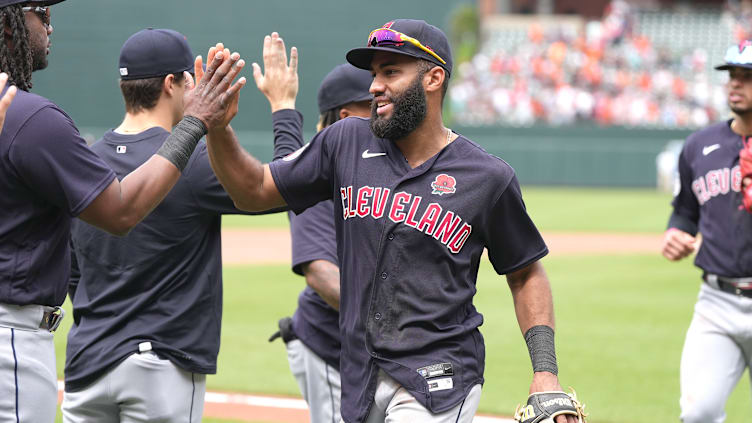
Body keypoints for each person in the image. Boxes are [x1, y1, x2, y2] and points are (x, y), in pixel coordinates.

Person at [209, 22, 576, 423]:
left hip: (439, 377)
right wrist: (219, 129)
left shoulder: (486, 177)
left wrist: (545, 372)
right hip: (359, 375)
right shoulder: (344, 141)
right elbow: (255, 188)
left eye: (390, 72)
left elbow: (525, 273)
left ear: (433, 78)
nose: (375, 86)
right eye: (374, 74)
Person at [0, 1, 246, 420]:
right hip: (15, 340)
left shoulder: (79, 146)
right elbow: (120, 212)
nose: (49, 24)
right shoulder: (30, 118)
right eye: (39, 11)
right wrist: (202, 122)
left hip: (87, 357)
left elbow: (77, 269)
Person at [60, 30, 267, 423]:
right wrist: (282, 106)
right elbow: (278, 188)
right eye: (191, 79)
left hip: (87, 365)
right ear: (172, 84)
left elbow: (72, 273)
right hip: (160, 367)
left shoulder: (84, 161)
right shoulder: (196, 161)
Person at [270, 63, 372, 423]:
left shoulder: (373, 165)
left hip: (365, 349)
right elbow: (321, 273)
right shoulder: (319, 173)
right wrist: (392, 321)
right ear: (346, 116)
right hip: (329, 348)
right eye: (371, 102)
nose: (381, 104)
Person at [662, 40, 752, 423]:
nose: (735, 83)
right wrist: (675, 233)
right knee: (699, 413)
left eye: (747, 77)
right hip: (717, 303)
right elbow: (685, 212)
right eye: (732, 75)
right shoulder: (699, 146)